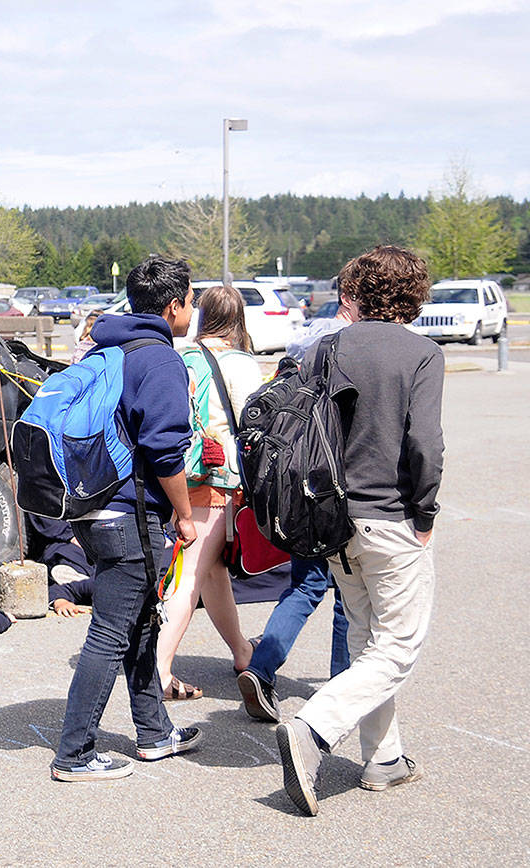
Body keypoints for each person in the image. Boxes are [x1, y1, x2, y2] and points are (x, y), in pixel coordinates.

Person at [274, 245, 443, 816]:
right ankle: (314, 728)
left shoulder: (327, 347)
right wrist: (425, 513)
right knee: (397, 647)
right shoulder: (422, 353)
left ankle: (384, 759)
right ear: (414, 294)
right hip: (392, 516)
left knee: (368, 642)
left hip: (335, 518)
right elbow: (425, 444)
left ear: (356, 290)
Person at [49, 255, 204, 783]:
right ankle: (74, 753)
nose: (193, 310)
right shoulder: (159, 360)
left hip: (93, 508)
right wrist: (184, 514)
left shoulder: (107, 346)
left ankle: (154, 732)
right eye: (191, 300)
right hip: (128, 515)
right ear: (174, 304)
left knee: (140, 622)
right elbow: (164, 452)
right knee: (111, 632)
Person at [238, 284, 359, 722]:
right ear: (352, 302)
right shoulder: (346, 349)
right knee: (348, 595)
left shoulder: (302, 343)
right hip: (336, 488)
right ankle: (341, 689)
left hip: (295, 488)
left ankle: (261, 666)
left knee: (305, 586)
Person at [154, 285, 263, 701]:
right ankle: (159, 670)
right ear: (238, 319)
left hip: (182, 474)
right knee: (191, 573)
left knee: (212, 570)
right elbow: (255, 423)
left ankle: (241, 651)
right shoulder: (240, 364)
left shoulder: (182, 358)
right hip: (219, 478)